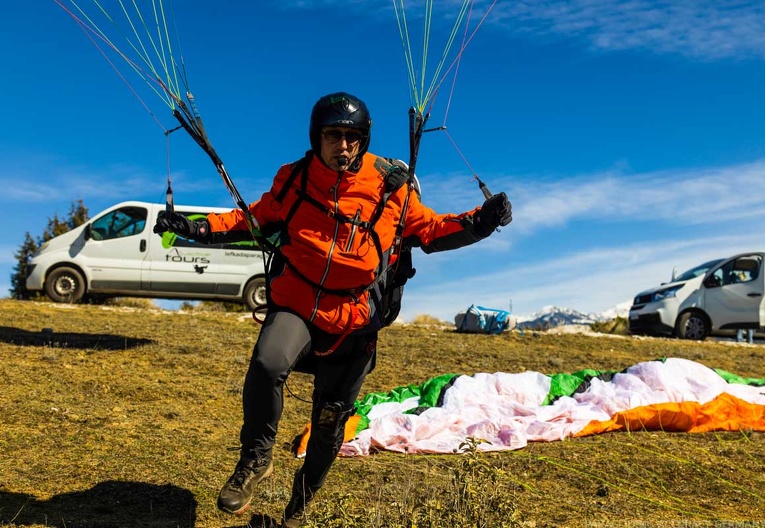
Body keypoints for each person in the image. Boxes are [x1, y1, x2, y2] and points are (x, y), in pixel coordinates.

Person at [154, 92, 512, 526]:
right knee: (267, 363)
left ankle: (299, 507)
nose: (342, 146)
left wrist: (481, 221)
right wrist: (195, 228)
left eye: (351, 137)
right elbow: (252, 220)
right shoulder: (295, 179)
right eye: (332, 136)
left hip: (355, 320)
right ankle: (255, 459)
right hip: (298, 305)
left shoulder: (389, 186)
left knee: (328, 423)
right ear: (316, 137)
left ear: (362, 140)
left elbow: (431, 229)